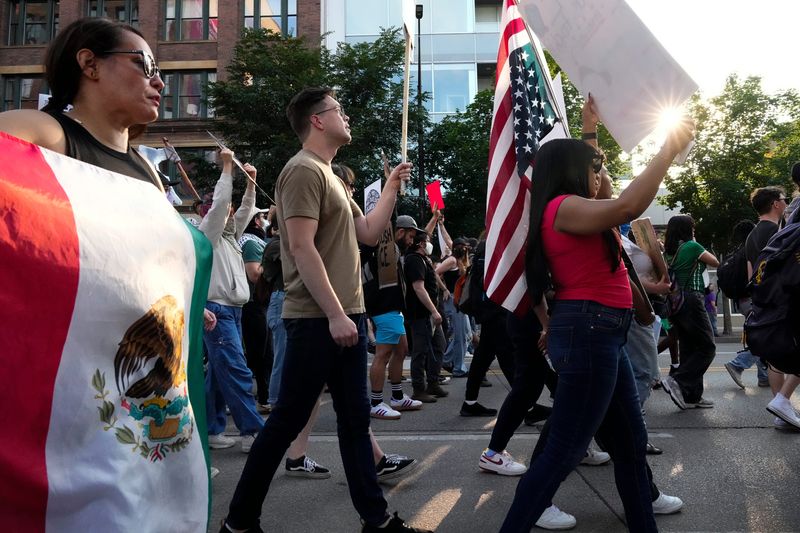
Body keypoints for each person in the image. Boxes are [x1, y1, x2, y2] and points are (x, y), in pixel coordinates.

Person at [0, 17, 214, 529]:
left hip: (150, 382)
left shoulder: (145, 170)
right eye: (144, 65)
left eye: (160, 70)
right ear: (89, 64)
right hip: (75, 396)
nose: (159, 81)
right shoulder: (48, 135)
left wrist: (181, 302)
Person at [220, 87, 428, 533]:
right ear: (317, 120)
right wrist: (335, 313)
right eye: (340, 110)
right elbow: (300, 246)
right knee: (287, 422)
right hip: (316, 319)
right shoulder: (301, 171)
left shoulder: (332, 176)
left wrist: (391, 188)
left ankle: (377, 521)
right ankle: (238, 522)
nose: (346, 116)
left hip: (343, 316)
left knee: (354, 423)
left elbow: (369, 233)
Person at [499, 94, 693, 532]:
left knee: (629, 445)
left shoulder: (574, 206)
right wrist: (666, 150)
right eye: (593, 166)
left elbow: (608, 194)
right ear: (571, 173)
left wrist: (590, 132)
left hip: (602, 331)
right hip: (590, 331)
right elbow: (625, 206)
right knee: (564, 450)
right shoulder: (563, 208)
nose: (600, 173)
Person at [198, 151, 265, 453]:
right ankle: (252, 431)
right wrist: (228, 168)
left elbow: (246, 210)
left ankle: (212, 429)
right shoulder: (208, 234)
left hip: (232, 311)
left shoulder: (229, 234)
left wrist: (251, 183)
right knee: (236, 369)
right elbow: (222, 203)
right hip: (218, 311)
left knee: (219, 372)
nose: (231, 213)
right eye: (226, 211)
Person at [744, 186, 800, 429]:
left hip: (766, 299)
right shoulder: (777, 229)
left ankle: (780, 408)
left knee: (776, 356)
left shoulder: (755, 233)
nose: (786, 204)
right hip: (786, 299)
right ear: (775, 204)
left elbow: (752, 268)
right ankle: (782, 403)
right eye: (783, 200)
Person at [659, 215, 719, 410]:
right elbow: (715, 261)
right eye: (692, 227)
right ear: (688, 229)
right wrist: (695, 242)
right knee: (707, 347)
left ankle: (691, 396)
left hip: (676, 303)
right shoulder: (692, 247)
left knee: (688, 347)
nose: (694, 230)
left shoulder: (668, 252)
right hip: (692, 299)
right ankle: (678, 380)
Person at [406, 231, 448, 403]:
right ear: (422, 244)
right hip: (421, 314)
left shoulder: (423, 260)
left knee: (439, 345)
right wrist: (433, 311)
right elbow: (418, 288)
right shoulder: (414, 260)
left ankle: (433, 382)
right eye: (428, 241)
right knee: (420, 350)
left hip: (428, 313)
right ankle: (418, 389)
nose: (430, 243)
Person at [240, 208, 273, 412]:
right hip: (254, 305)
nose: (264, 220)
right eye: (261, 216)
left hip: (257, 304)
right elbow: (254, 273)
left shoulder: (252, 240)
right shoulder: (251, 243)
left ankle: (264, 395)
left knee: (263, 352)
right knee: (261, 353)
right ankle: (264, 396)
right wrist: (272, 266)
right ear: (255, 220)